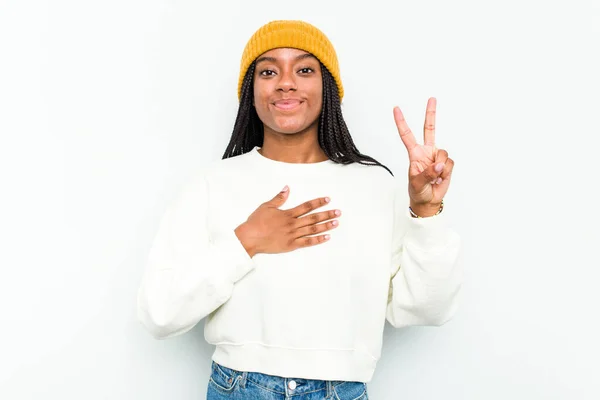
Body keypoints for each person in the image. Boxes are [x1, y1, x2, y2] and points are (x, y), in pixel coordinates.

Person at [137, 19, 462, 400]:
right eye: (268, 71)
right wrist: (245, 242)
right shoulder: (212, 184)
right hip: (239, 388)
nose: (285, 82)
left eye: (304, 69)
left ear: (327, 87)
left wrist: (426, 212)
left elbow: (427, 309)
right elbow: (158, 312)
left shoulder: (375, 186)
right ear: (250, 91)